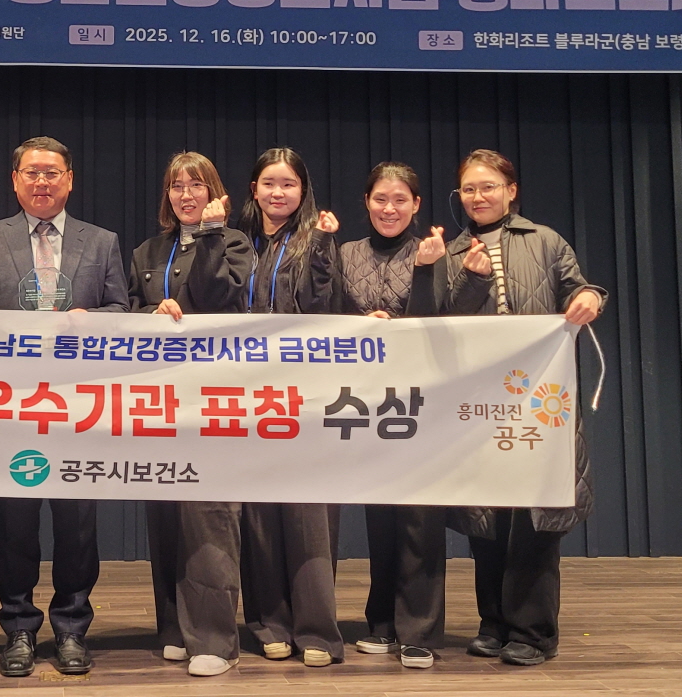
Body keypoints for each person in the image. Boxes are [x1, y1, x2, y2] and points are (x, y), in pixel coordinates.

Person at [0, 136, 128, 677]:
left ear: (69, 180)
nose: (42, 181)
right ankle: (19, 628)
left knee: (77, 525)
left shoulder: (101, 241)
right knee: (15, 523)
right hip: (12, 403)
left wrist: (89, 320)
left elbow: (122, 310)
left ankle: (72, 628)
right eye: (31, 172)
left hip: (78, 405)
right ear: (15, 180)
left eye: (52, 172)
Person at [431, 149, 605, 667]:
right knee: (487, 519)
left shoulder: (545, 240)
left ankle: (532, 631)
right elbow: (441, 321)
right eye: (468, 189)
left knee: (535, 517)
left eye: (488, 186)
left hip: (537, 400)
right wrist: (471, 280)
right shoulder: (450, 251)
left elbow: (578, 288)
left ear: (511, 190)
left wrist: (591, 297)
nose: (478, 196)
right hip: (479, 403)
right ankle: (493, 622)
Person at [339, 162, 487, 669]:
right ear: (367, 201)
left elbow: (439, 322)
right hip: (366, 402)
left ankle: (419, 630)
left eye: (400, 199)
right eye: (381, 198)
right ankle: (381, 623)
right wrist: (362, 324)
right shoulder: (346, 253)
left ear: (417, 204)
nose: (390, 208)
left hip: (424, 401)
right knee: (380, 515)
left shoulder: (435, 250)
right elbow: (330, 316)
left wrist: (426, 269)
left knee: (420, 519)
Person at [127, 152, 252, 677]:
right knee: (165, 516)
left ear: (214, 192)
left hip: (213, 398)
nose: (185, 195)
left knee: (209, 516)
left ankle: (216, 640)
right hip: (158, 400)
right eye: (176, 186)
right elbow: (125, 313)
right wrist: (149, 312)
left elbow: (217, 295)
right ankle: (175, 628)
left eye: (196, 185)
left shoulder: (235, 242)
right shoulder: (146, 250)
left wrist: (209, 235)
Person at [233, 147, 345, 667]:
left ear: (303, 191)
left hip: (304, 394)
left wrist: (322, 246)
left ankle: (317, 629)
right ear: (254, 189)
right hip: (247, 392)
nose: (278, 193)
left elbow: (325, 307)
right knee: (257, 514)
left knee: (308, 514)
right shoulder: (239, 240)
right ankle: (268, 623)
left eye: (289, 184)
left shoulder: (317, 239)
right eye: (269, 183)